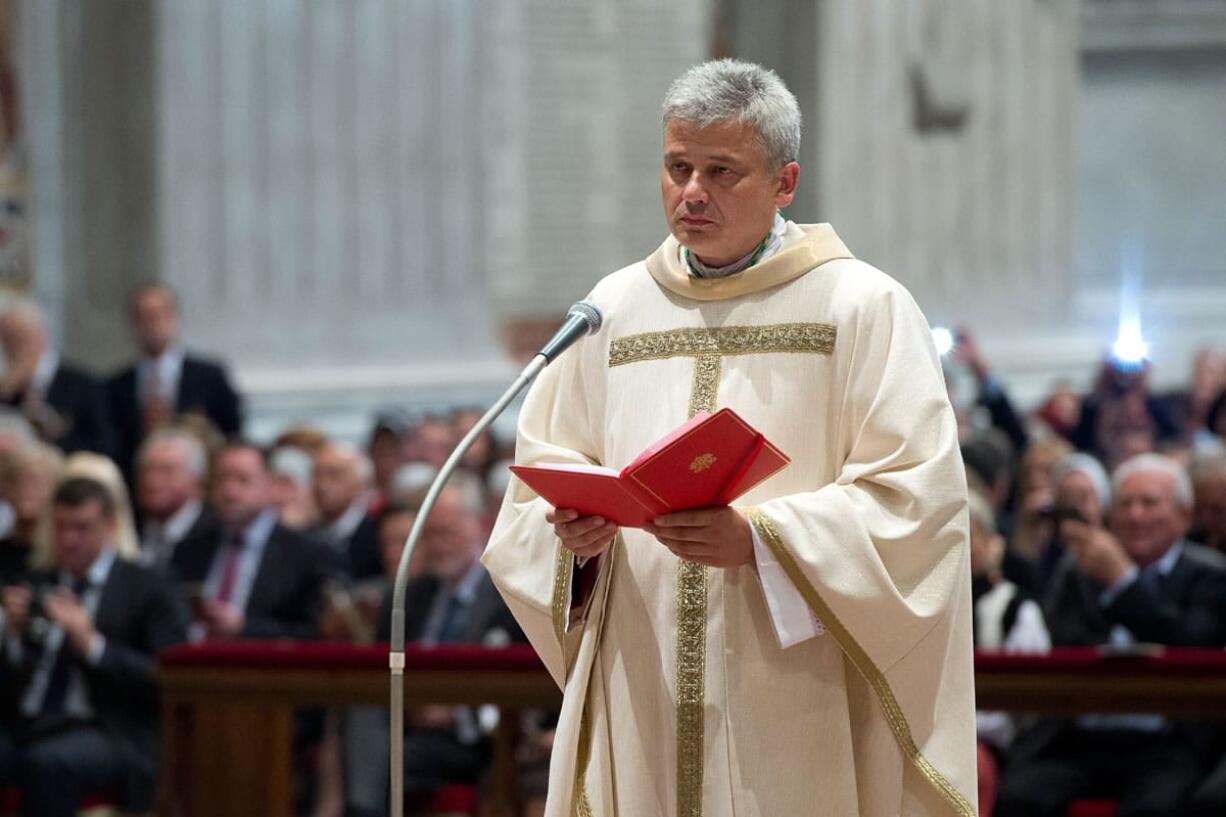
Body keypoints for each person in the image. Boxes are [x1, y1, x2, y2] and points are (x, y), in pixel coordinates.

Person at [482, 60, 976, 816]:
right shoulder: (611, 311)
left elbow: (918, 503)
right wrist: (573, 542)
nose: (691, 192)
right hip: (640, 675)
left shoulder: (861, 306)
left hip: (793, 686)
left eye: (722, 171)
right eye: (678, 167)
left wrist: (764, 539)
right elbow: (541, 480)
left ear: (785, 182)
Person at [995, 454, 1226, 817]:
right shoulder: (1078, 569)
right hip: (1083, 733)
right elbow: (1060, 643)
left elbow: (1192, 645)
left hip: (1165, 740)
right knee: (1019, 796)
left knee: (1155, 806)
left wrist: (1122, 583)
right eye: (1125, 504)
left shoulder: (1209, 575)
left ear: (1184, 516)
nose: (1136, 517)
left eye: (1150, 503)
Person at [0, 477, 188, 817]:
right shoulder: (39, 582)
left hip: (109, 727)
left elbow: (165, 678)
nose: (69, 540)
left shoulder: (148, 587)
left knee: (48, 764)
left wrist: (92, 645)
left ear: (111, 524)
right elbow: (13, 679)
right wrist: (12, 638)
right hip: (31, 721)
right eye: (61, 527)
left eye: (82, 528)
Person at [172, 441, 332, 641]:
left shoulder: (308, 553)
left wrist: (244, 628)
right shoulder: (189, 549)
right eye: (222, 480)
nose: (230, 491)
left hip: (266, 666)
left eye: (243, 480)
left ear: (270, 485)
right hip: (194, 665)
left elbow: (317, 634)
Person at [105, 283, 242, 480]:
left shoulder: (210, 376)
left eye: (159, 314)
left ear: (175, 317)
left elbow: (231, 433)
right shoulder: (115, 386)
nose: (152, 324)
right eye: (144, 317)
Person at [0, 301, 114, 457]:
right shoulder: (7, 388)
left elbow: (104, 445)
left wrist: (57, 433)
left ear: (43, 334)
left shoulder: (83, 384)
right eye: (8, 339)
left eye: (21, 337)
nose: (16, 346)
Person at [134, 428, 220, 571]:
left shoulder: (217, 535)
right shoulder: (131, 527)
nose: (152, 481)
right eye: (146, 470)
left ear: (196, 478)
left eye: (167, 471)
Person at [311, 442, 381, 582]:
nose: (322, 484)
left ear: (362, 483)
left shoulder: (378, 534)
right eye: (317, 475)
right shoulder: (307, 533)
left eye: (334, 475)